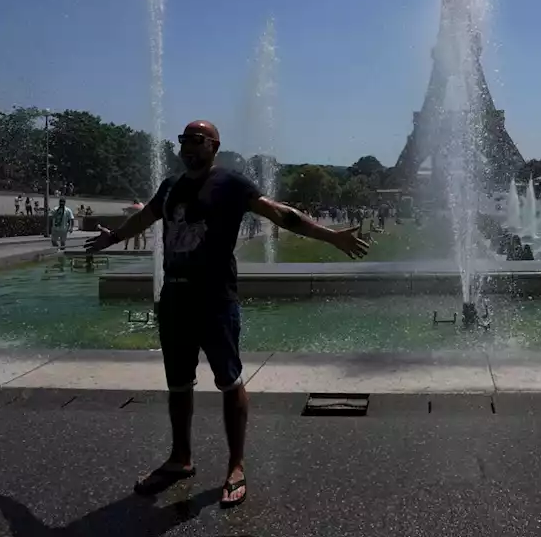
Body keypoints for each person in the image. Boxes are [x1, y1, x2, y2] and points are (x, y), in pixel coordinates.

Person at [86, 120, 368, 508]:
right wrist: (113, 237)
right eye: (183, 140)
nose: (187, 146)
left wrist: (331, 236)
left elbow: (280, 214)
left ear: (214, 146)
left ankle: (236, 465)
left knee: (229, 381)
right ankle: (180, 459)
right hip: (175, 298)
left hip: (215, 298)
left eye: (196, 140)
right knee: (178, 385)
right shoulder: (170, 186)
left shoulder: (231, 184)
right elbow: (147, 217)